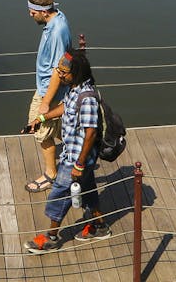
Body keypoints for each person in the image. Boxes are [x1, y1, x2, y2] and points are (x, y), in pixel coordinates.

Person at [24, 48, 112, 253]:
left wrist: (79, 164)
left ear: (77, 72)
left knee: (59, 195)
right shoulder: (75, 88)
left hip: (77, 158)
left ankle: (51, 239)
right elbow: (66, 107)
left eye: (64, 72)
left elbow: (90, 133)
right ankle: (100, 226)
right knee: (88, 191)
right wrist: (41, 119)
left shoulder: (87, 98)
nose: (60, 75)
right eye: (59, 70)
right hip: (73, 155)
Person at [24, 0, 70, 194]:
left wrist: (45, 102)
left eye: (32, 12)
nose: (30, 15)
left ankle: (50, 175)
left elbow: (58, 71)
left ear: (43, 12)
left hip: (49, 91)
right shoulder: (56, 18)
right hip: (46, 88)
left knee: (40, 131)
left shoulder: (57, 31)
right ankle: (78, 152)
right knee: (58, 127)